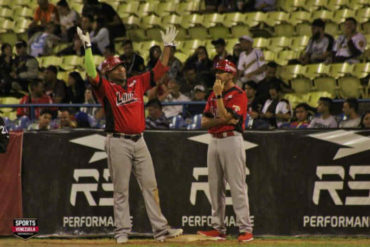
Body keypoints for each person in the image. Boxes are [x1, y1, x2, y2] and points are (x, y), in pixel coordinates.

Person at [76, 25, 183, 243]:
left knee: (150, 185)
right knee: (121, 189)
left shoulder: (137, 82)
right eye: (116, 67)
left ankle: (160, 230)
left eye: (122, 66)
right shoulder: (105, 87)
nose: (122, 69)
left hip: (139, 140)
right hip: (117, 141)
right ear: (108, 72)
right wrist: (88, 47)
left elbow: (160, 70)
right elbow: (91, 72)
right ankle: (122, 231)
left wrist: (168, 47)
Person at [198, 59, 253, 242]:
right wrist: (223, 119)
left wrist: (220, 99)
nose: (217, 75)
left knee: (237, 185)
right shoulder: (213, 94)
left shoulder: (238, 94)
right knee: (215, 187)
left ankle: (245, 229)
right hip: (214, 140)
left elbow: (225, 117)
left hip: (231, 139)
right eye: (217, 72)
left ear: (231, 75)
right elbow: (204, 122)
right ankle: (218, 228)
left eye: (221, 72)